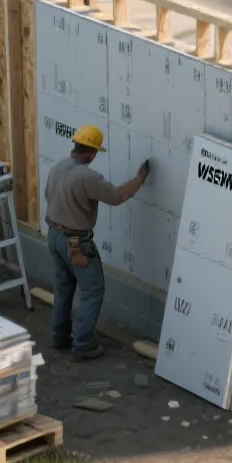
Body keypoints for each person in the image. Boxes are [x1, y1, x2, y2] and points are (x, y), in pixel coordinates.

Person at [43, 125, 149, 360]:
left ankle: (59, 337)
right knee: (92, 290)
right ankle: (83, 344)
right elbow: (117, 196)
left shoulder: (58, 166)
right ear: (91, 152)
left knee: (63, 287)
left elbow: (47, 195)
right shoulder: (87, 177)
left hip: (54, 236)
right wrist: (139, 179)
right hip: (75, 243)